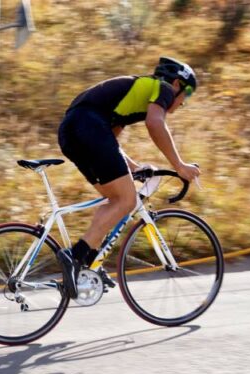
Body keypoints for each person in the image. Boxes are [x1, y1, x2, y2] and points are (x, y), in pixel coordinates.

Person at [56, 56, 201, 297]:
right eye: (187, 95)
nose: (182, 103)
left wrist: (133, 167)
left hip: (71, 131)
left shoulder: (126, 103)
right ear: (177, 84)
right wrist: (179, 165)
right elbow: (155, 124)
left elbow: (110, 145)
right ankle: (74, 256)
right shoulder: (162, 88)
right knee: (127, 201)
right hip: (88, 126)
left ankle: (89, 263)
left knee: (115, 200)